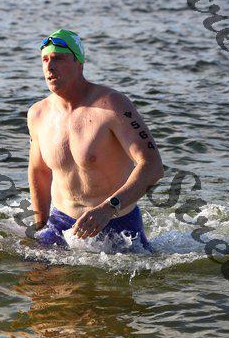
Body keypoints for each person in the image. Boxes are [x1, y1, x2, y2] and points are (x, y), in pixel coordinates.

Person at [28, 29, 164, 253]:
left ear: (78, 62)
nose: (49, 67)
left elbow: (152, 166)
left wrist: (108, 208)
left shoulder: (112, 105)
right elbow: (39, 171)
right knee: (32, 272)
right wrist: (40, 226)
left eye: (58, 59)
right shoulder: (38, 113)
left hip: (117, 223)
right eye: (45, 60)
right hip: (61, 224)